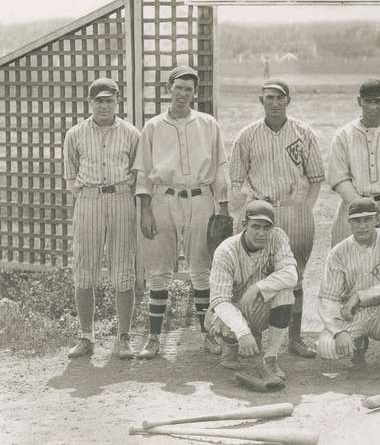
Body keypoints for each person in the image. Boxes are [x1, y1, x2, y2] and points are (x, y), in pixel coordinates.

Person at [133, 64, 229, 360]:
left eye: (189, 90)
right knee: (159, 270)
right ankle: (153, 338)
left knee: (201, 268)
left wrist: (223, 208)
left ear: (194, 94)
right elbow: (144, 174)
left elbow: (220, 168)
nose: (183, 94)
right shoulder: (153, 126)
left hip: (200, 198)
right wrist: (145, 210)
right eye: (178, 88)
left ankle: (206, 334)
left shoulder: (208, 124)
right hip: (164, 198)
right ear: (168, 89)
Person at [228, 78, 325, 358]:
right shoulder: (247, 135)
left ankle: (294, 338)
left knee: (294, 275)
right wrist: (246, 209)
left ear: (288, 100)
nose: (274, 103)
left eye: (280, 98)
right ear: (261, 101)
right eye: (269, 98)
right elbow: (235, 180)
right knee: (253, 275)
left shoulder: (303, 133)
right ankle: (253, 335)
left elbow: (316, 178)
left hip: (293, 209)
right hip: (260, 209)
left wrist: (305, 207)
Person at [62, 77, 140, 359]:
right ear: (90, 103)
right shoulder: (75, 134)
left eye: (109, 100)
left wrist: (122, 190)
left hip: (120, 198)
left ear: (117, 102)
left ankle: (124, 337)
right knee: (84, 268)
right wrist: (86, 194)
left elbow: (136, 173)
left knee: (123, 269)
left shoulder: (131, 133)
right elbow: (71, 176)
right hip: (89, 199)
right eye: (99, 100)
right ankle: (86, 336)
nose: (104, 105)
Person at [316, 199, 380, 383]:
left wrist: (359, 296)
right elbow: (327, 298)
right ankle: (359, 347)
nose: (362, 226)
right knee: (327, 347)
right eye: (356, 221)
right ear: (349, 222)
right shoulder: (338, 252)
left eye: (367, 219)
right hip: (355, 314)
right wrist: (338, 331)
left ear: (377, 219)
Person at [205, 200, 297, 391]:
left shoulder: (278, 237)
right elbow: (220, 301)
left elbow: (291, 275)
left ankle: (270, 358)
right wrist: (243, 332)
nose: (261, 233)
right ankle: (230, 347)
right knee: (228, 324)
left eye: (266, 227)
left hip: (257, 304)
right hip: (230, 308)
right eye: (255, 226)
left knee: (285, 294)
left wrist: (257, 287)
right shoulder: (226, 250)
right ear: (244, 225)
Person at [327, 79, 380, 247]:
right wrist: (362, 206)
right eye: (368, 101)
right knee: (348, 264)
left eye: (377, 101)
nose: (373, 107)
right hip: (352, 210)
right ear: (359, 101)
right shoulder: (343, 135)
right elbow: (339, 178)